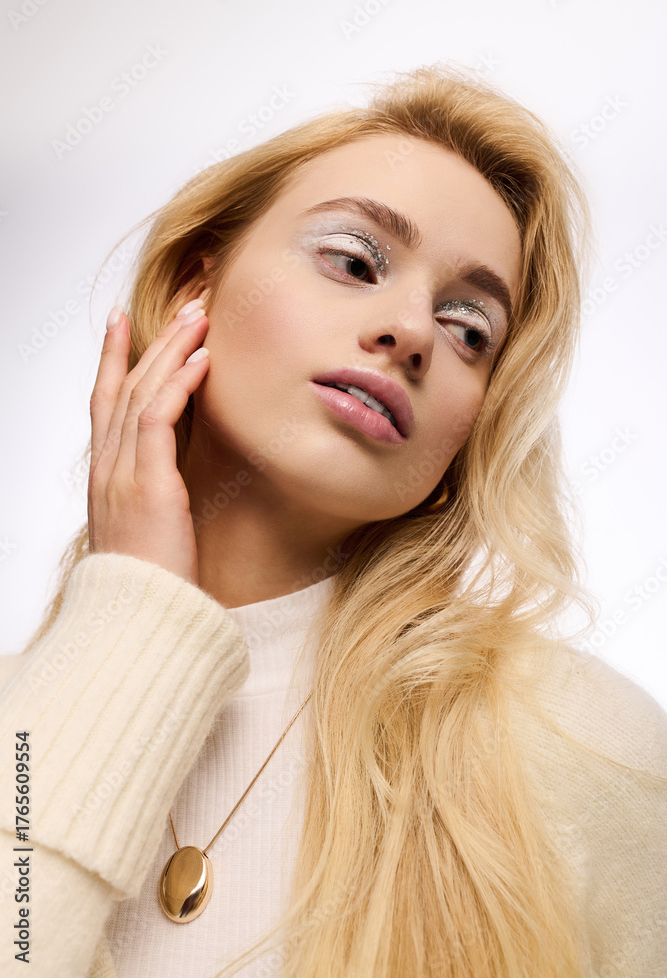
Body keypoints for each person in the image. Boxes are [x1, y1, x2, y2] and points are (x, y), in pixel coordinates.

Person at [0, 62, 665, 978]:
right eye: (354, 262)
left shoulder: (583, 744)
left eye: (468, 327)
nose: (412, 331)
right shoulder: (20, 721)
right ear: (198, 285)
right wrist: (128, 619)